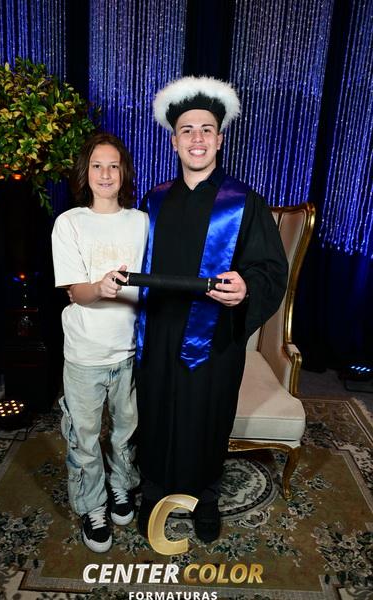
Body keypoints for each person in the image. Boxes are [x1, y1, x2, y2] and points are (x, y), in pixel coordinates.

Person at [135, 76, 288, 543]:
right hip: (159, 329)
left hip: (215, 334)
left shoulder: (244, 202)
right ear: (174, 140)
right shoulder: (153, 200)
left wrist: (247, 287)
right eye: (187, 130)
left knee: (207, 416)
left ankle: (204, 496)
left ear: (220, 139)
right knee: (156, 410)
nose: (197, 138)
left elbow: (269, 268)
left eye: (206, 129)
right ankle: (154, 491)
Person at [51, 132, 149, 553]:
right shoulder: (69, 222)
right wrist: (101, 287)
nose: (105, 174)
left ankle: (121, 486)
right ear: (85, 172)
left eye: (113, 165)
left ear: (124, 171)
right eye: (97, 165)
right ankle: (93, 506)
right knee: (85, 438)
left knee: (126, 431)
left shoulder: (141, 222)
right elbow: (76, 292)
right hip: (85, 354)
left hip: (128, 351)